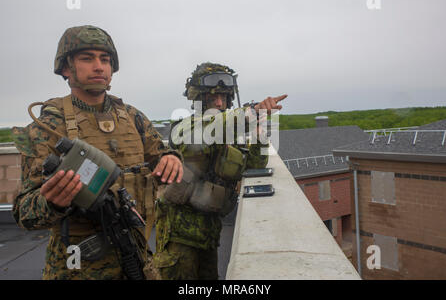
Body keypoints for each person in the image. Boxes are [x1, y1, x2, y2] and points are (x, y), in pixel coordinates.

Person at [12, 25, 183, 280]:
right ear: (67, 68)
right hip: (77, 269)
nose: (99, 66)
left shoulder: (133, 117)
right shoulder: (49, 126)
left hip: (136, 255)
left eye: (105, 60)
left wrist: (171, 158)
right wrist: (51, 201)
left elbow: (162, 154)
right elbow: (24, 213)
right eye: (87, 58)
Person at [152, 62, 287, 279]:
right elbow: (207, 132)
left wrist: (259, 131)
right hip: (179, 234)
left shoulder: (230, 132)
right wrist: (251, 112)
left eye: (223, 97)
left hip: (209, 233)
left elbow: (254, 165)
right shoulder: (185, 127)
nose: (219, 102)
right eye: (212, 98)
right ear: (199, 100)